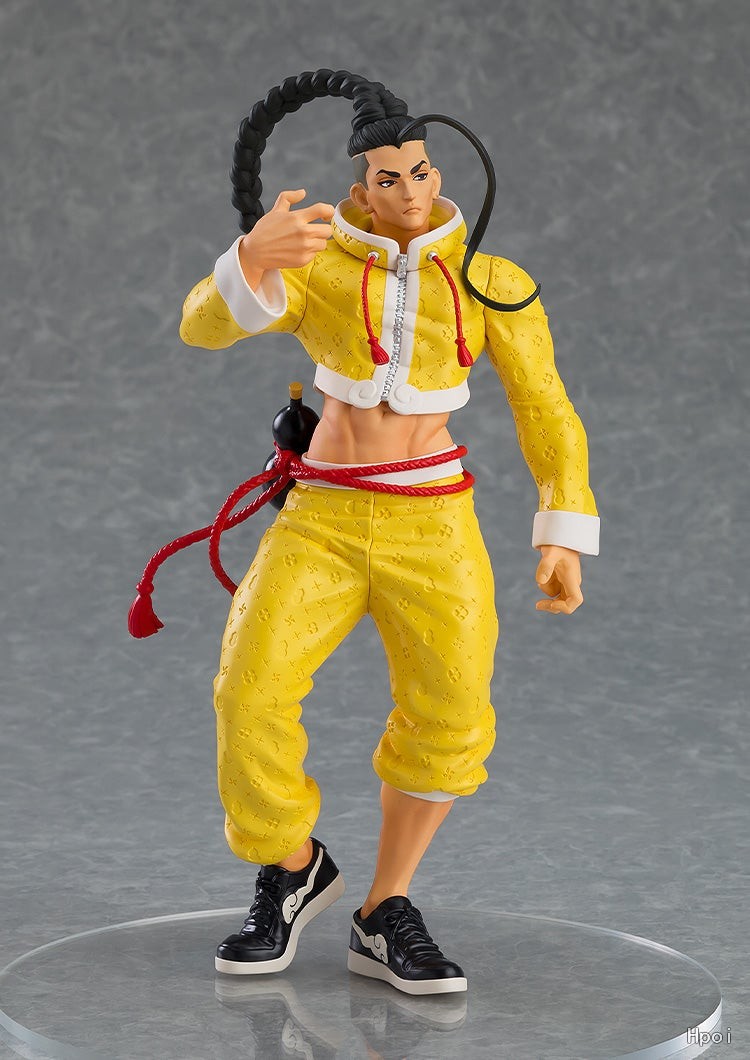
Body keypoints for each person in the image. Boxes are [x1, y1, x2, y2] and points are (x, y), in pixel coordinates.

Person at [177, 70, 599, 996]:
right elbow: (202, 327)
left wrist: (561, 529)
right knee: (248, 689)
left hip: (434, 521)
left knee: (451, 711)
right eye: (386, 178)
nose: (408, 192)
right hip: (322, 517)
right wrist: (250, 256)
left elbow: (546, 409)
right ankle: (292, 867)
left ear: (438, 173)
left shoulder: (490, 283)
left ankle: (385, 906)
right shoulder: (320, 265)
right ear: (359, 187)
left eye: (420, 172)